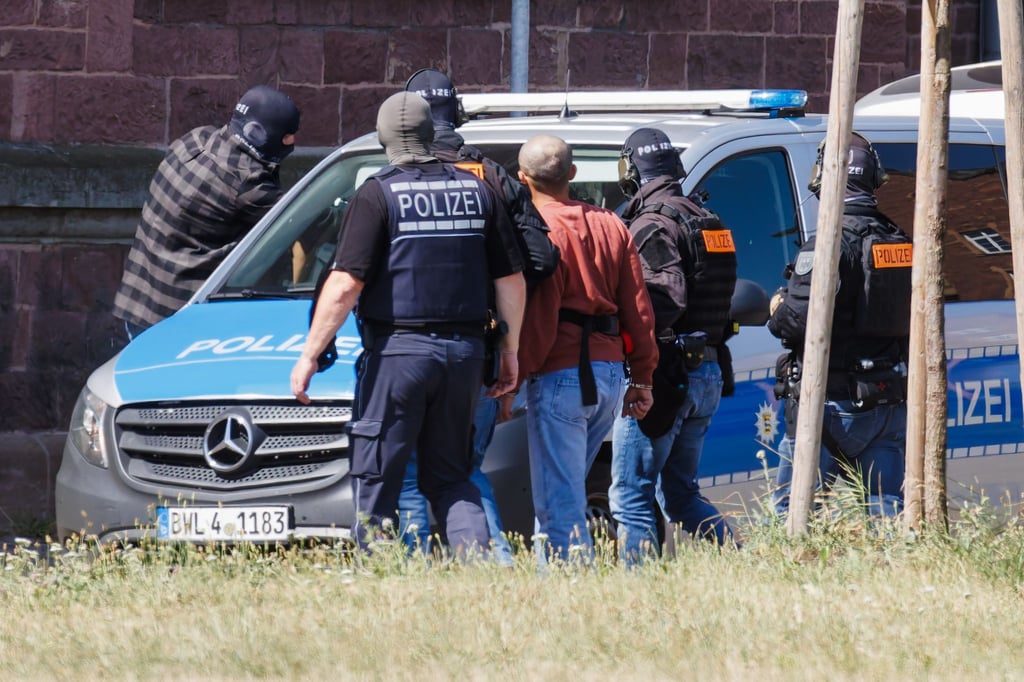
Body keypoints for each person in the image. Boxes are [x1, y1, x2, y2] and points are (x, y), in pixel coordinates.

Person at [291, 91, 527, 556]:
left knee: (377, 475)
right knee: (452, 478)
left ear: (383, 138)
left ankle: (380, 573)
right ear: (429, 133)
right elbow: (511, 280)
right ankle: (478, 571)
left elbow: (344, 284)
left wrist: (310, 353)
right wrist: (510, 350)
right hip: (464, 357)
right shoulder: (478, 190)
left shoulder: (377, 193)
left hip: (398, 356)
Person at [396, 69, 560, 562]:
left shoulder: (395, 178)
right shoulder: (493, 176)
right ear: (456, 116)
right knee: (463, 468)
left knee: (404, 468)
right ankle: (493, 570)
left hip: (406, 350)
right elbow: (541, 260)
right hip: (480, 351)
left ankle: (410, 576)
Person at [516, 133, 658, 564]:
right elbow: (639, 308)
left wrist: (514, 376)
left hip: (561, 375)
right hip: (610, 377)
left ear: (522, 179)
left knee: (558, 499)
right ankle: (557, 581)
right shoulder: (610, 224)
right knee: (564, 487)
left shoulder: (539, 230)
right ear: (572, 174)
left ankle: (571, 588)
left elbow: (540, 320)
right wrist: (644, 377)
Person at [609, 128, 739, 563]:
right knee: (680, 495)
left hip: (667, 378)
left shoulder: (652, 224)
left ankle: (637, 592)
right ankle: (745, 561)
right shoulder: (710, 220)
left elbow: (664, 299)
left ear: (630, 169)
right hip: (705, 373)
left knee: (631, 494)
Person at [768, 131, 911, 517]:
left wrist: (777, 306)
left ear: (824, 176)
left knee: (794, 515)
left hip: (831, 405)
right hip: (887, 400)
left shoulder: (829, 242)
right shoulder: (898, 239)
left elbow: (795, 322)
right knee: (885, 513)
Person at [113, 85, 300, 340]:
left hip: (138, 305)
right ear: (262, 134)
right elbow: (302, 222)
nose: (293, 143)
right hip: (180, 324)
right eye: (289, 136)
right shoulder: (249, 184)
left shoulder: (193, 141)